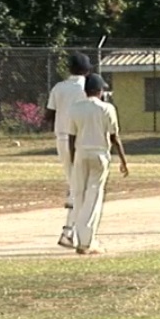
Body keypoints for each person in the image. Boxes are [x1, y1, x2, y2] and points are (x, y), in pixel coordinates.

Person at [66, 73, 130, 255]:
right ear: (100, 91)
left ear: (85, 91)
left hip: (81, 154)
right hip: (99, 154)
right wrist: (123, 161)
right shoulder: (107, 108)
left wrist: (73, 159)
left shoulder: (75, 108)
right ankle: (86, 242)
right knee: (93, 196)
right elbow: (114, 137)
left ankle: (78, 237)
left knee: (79, 195)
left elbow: (71, 138)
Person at [45, 53, 91, 247]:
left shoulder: (59, 87)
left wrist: (62, 117)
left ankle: (71, 231)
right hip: (80, 140)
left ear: (69, 68)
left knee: (75, 183)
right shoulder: (88, 87)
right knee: (80, 186)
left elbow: (48, 115)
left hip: (61, 139)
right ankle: (69, 232)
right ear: (87, 70)